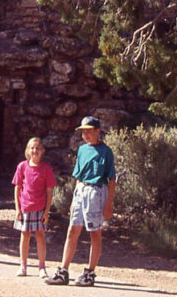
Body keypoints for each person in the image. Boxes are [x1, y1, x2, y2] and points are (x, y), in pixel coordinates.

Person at [45, 115, 116, 287]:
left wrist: (109, 204)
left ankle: (90, 272)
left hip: (96, 191)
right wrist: (74, 198)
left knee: (95, 232)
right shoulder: (82, 150)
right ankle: (63, 271)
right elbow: (77, 176)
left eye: (89, 131)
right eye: (83, 132)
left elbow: (111, 179)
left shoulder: (106, 152)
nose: (86, 135)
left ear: (97, 131)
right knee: (72, 230)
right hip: (81, 190)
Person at [12, 136, 56, 278]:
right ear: (28, 150)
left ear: (42, 151)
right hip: (25, 207)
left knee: (40, 235)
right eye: (32, 148)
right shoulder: (22, 167)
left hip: (40, 208)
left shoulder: (46, 169)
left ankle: (41, 267)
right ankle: (23, 266)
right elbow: (17, 188)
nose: (35, 150)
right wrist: (18, 209)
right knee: (24, 235)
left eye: (37, 148)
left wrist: (46, 211)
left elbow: (49, 191)